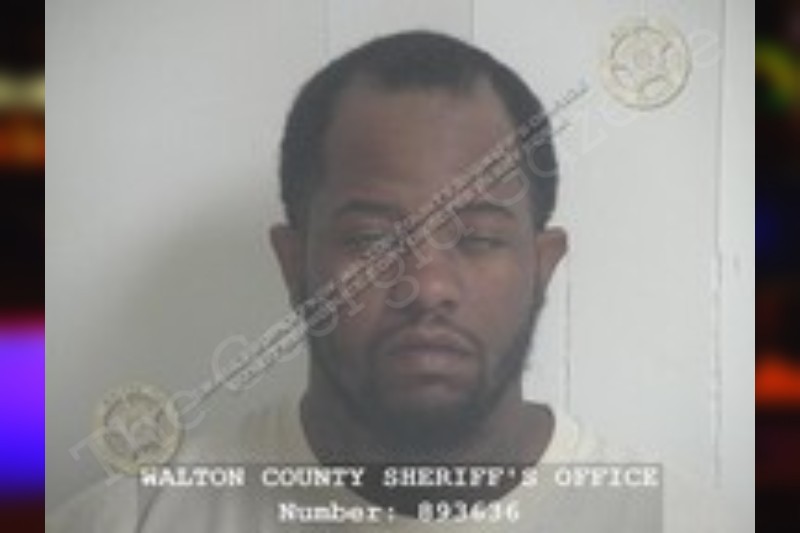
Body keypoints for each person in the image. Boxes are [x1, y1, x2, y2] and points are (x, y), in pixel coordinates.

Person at [48, 30, 718, 532]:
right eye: (370, 240)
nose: (427, 287)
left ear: (543, 266)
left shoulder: (678, 519)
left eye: (478, 238)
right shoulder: (135, 519)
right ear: (293, 263)